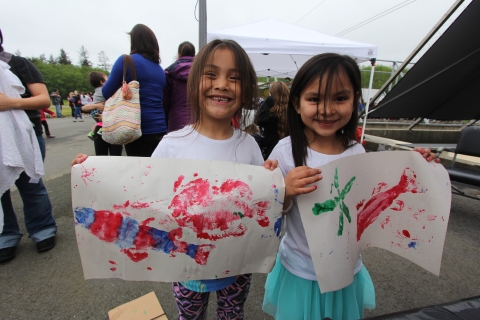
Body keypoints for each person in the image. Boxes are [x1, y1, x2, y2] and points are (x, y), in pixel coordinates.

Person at [72, 39, 277, 319]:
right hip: (185, 267)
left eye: (235, 78)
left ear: (247, 90)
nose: (222, 84)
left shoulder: (249, 146)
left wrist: (274, 186)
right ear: (193, 85)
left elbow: (260, 205)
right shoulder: (172, 144)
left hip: (236, 265)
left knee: (232, 313)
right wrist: (90, 174)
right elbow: (140, 193)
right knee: (190, 316)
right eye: (211, 74)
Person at [261, 53, 441, 320]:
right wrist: (284, 189)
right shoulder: (285, 151)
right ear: (297, 104)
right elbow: (272, 211)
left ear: (355, 100)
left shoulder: (356, 150)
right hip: (300, 269)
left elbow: (373, 201)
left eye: (340, 98)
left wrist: (418, 166)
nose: (327, 109)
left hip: (345, 268)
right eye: (314, 99)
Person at [0, 28, 57, 263]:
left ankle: (42, 229)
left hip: (25, 135)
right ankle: (7, 234)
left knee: (31, 185)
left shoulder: (17, 63)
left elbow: (43, 99)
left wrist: (9, 103)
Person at [102, 24, 167, 157]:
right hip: (160, 127)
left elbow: (106, 92)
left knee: (140, 173)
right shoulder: (159, 69)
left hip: (136, 127)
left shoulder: (126, 61)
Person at [84, 71, 122, 156]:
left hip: (98, 116)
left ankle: (94, 131)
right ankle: (99, 129)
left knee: (101, 156)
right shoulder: (104, 90)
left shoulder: (96, 91)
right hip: (110, 125)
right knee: (115, 157)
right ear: (102, 81)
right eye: (107, 79)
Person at [163, 41, 195, 133]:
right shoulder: (203, 73)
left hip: (176, 121)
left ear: (179, 54)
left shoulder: (169, 72)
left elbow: (165, 102)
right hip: (199, 122)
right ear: (194, 54)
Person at [256, 81, 289, 159]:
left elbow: (259, 120)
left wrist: (268, 101)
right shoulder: (291, 109)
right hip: (287, 146)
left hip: (271, 147)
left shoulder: (271, 114)